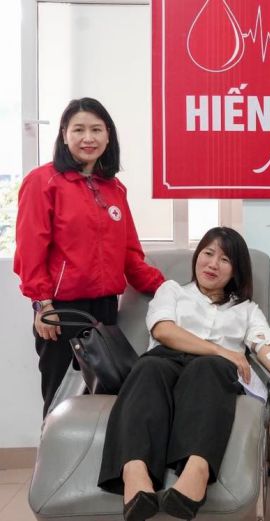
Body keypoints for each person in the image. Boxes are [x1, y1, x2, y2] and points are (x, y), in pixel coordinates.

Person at [97, 227, 270, 521]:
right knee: (147, 366)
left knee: (207, 368)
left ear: (236, 271)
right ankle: (135, 475)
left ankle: (196, 472)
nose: (212, 264)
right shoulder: (171, 290)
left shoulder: (246, 310)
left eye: (224, 259)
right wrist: (222, 351)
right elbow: (163, 330)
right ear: (197, 257)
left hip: (213, 375)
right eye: (208, 254)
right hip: (166, 360)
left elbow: (269, 350)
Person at [14, 97, 165, 417]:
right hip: (61, 312)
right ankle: (55, 466)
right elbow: (30, 250)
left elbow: (130, 256)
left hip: (106, 310)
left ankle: (98, 466)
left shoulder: (114, 189)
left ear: (108, 136)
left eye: (96, 129)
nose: (88, 138)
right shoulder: (43, 182)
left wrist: (170, 289)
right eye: (78, 129)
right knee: (60, 402)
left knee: (102, 403)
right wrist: (43, 304)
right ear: (64, 135)